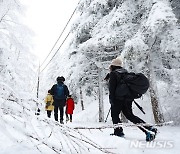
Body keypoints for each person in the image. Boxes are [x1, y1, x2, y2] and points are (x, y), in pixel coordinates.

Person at [108, 57, 157, 141]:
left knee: (115, 115)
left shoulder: (113, 74)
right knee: (130, 116)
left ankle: (118, 131)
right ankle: (148, 128)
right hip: (128, 99)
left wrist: (111, 100)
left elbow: (112, 89)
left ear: (113, 66)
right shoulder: (125, 72)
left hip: (118, 99)